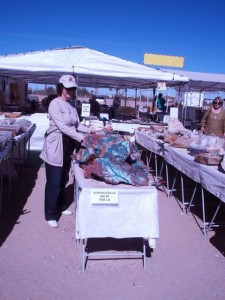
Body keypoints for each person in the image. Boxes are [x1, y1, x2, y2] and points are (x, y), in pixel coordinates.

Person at [40, 74, 94, 228]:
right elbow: (63, 127)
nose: (71, 91)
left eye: (73, 89)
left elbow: (77, 125)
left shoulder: (71, 106)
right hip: (56, 145)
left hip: (68, 145)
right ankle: (50, 214)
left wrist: (91, 130)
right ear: (61, 88)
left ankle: (61, 205)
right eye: (68, 88)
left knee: (64, 178)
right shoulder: (55, 104)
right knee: (54, 181)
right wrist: (81, 138)